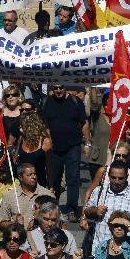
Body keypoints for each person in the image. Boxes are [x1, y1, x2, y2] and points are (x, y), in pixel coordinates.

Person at [84, 161, 130, 255]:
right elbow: (86, 211)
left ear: (127, 176)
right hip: (101, 251)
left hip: (126, 253)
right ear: (108, 176)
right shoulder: (99, 191)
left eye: (120, 178)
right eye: (113, 177)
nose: (116, 181)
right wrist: (95, 210)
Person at [42, 85, 87, 221]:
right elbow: (43, 123)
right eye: (55, 88)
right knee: (54, 178)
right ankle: (53, 207)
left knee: (72, 178)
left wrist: (87, 143)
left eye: (61, 88)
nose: (58, 91)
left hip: (73, 146)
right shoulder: (47, 102)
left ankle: (72, 208)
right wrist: (47, 138)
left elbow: (84, 123)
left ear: (65, 87)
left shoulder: (75, 101)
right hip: (54, 147)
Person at [0, 163, 53, 231]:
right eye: (29, 175)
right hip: (19, 237)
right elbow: (1, 224)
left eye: (35, 174)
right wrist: (14, 223)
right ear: (20, 177)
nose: (34, 177)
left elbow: (59, 222)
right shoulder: (9, 196)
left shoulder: (48, 195)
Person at [16, 111, 53, 190]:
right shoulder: (21, 138)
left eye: (22, 126)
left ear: (30, 127)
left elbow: (49, 166)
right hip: (22, 184)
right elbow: (15, 159)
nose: (20, 129)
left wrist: (51, 186)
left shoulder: (45, 142)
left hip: (39, 184)